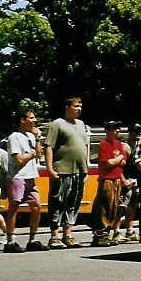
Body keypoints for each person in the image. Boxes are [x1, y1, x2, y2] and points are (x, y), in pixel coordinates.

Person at [44, 97, 90, 249]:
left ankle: (68, 234)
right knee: (58, 202)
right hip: (62, 170)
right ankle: (54, 236)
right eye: (76, 106)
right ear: (67, 107)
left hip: (79, 171)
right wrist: (50, 168)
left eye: (81, 106)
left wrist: (86, 167)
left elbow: (85, 145)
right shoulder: (57, 124)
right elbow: (49, 146)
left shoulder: (81, 124)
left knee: (74, 203)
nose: (79, 109)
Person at [4, 108, 47, 253]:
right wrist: (32, 153)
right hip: (17, 176)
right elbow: (18, 159)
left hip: (30, 176)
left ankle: (32, 239)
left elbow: (39, 154)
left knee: (36, 206)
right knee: (14, 207)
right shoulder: (14, 137)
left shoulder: (30, 136)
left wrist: (37, 139)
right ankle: (10, 241)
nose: (35, 121)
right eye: (32, 118)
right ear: (23, 120)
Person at [91, 121, 129, 247]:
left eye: (118, 129)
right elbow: (107, 163)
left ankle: (107, 233)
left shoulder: (119, 144)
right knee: (104, 207)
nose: (117, 131)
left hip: (117, 179)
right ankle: (99, 234)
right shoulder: (103, 144)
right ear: (107, 131)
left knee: (114, 207)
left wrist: (116, 160)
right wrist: (117, 160)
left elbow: (123, 161)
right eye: (114, 129)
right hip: (107, 179)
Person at [113, 123, 141, 243]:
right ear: (129, 133)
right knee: (121, 206)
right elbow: (117, 166)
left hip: (136, 180)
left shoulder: (140, 146)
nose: (137, 135)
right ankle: (116, 231)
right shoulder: (125, 147)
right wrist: (124, 180)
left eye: (139, 132)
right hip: (126, 180)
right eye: (134, 132)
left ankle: (130, 230)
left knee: (132, 206)